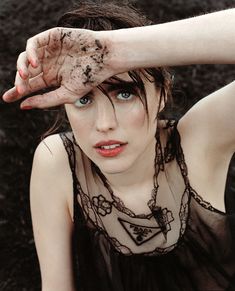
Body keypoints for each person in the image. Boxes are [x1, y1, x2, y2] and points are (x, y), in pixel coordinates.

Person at [2, 1, 235, 290]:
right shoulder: (58, 162)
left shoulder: (200, 140)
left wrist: (115, 51)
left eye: (125, 93)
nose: (104, 124)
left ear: (162, 93)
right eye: (83, 99)